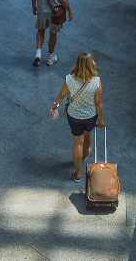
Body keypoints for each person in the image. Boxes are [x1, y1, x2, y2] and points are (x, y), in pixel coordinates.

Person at [53, 52, 105, 190]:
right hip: (90, 116)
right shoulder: (97, 81)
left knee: (77, 142)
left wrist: (54, 106)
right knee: (88, 139)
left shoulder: (69, 79)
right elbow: (99, 103)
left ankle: (78, 173)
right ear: (91, 64)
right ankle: (83, 158)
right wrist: (100, 120)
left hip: (74, 117)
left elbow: (61, 96)